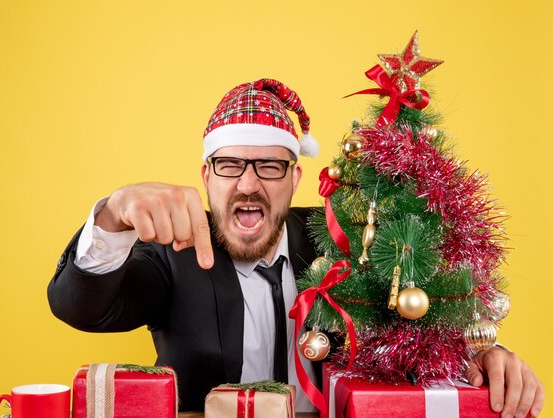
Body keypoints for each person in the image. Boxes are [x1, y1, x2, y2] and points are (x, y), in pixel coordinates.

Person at [48, 78, 544, 416]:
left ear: (294, 179)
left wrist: (482, 356)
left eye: (269, 166)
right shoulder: (172, 252)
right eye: (229, 165)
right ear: (206, 176)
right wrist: (112, 217)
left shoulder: (348, 243)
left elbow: (414, 327)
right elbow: (80, 307)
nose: (248, 183)